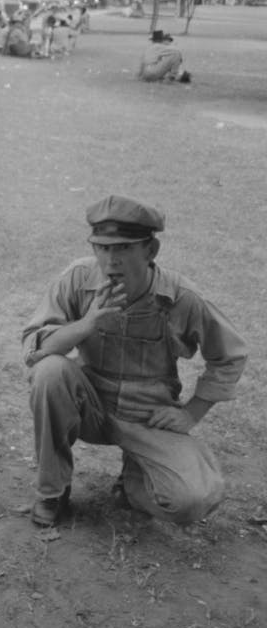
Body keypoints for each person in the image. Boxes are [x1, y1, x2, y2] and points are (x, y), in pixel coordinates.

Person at [21, 195, 247, 528]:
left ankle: (133, 484)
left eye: (124, 248)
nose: (111, 260)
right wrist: (88, 324)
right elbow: (35, 349)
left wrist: (191, 413)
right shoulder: (78, 279)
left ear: (150, 251)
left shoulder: (182, 297)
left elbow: (230, 356)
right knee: (50, 371)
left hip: (148, 415)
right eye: (103, 248)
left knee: (192, 501)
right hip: (91, 404)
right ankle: (53, 492)